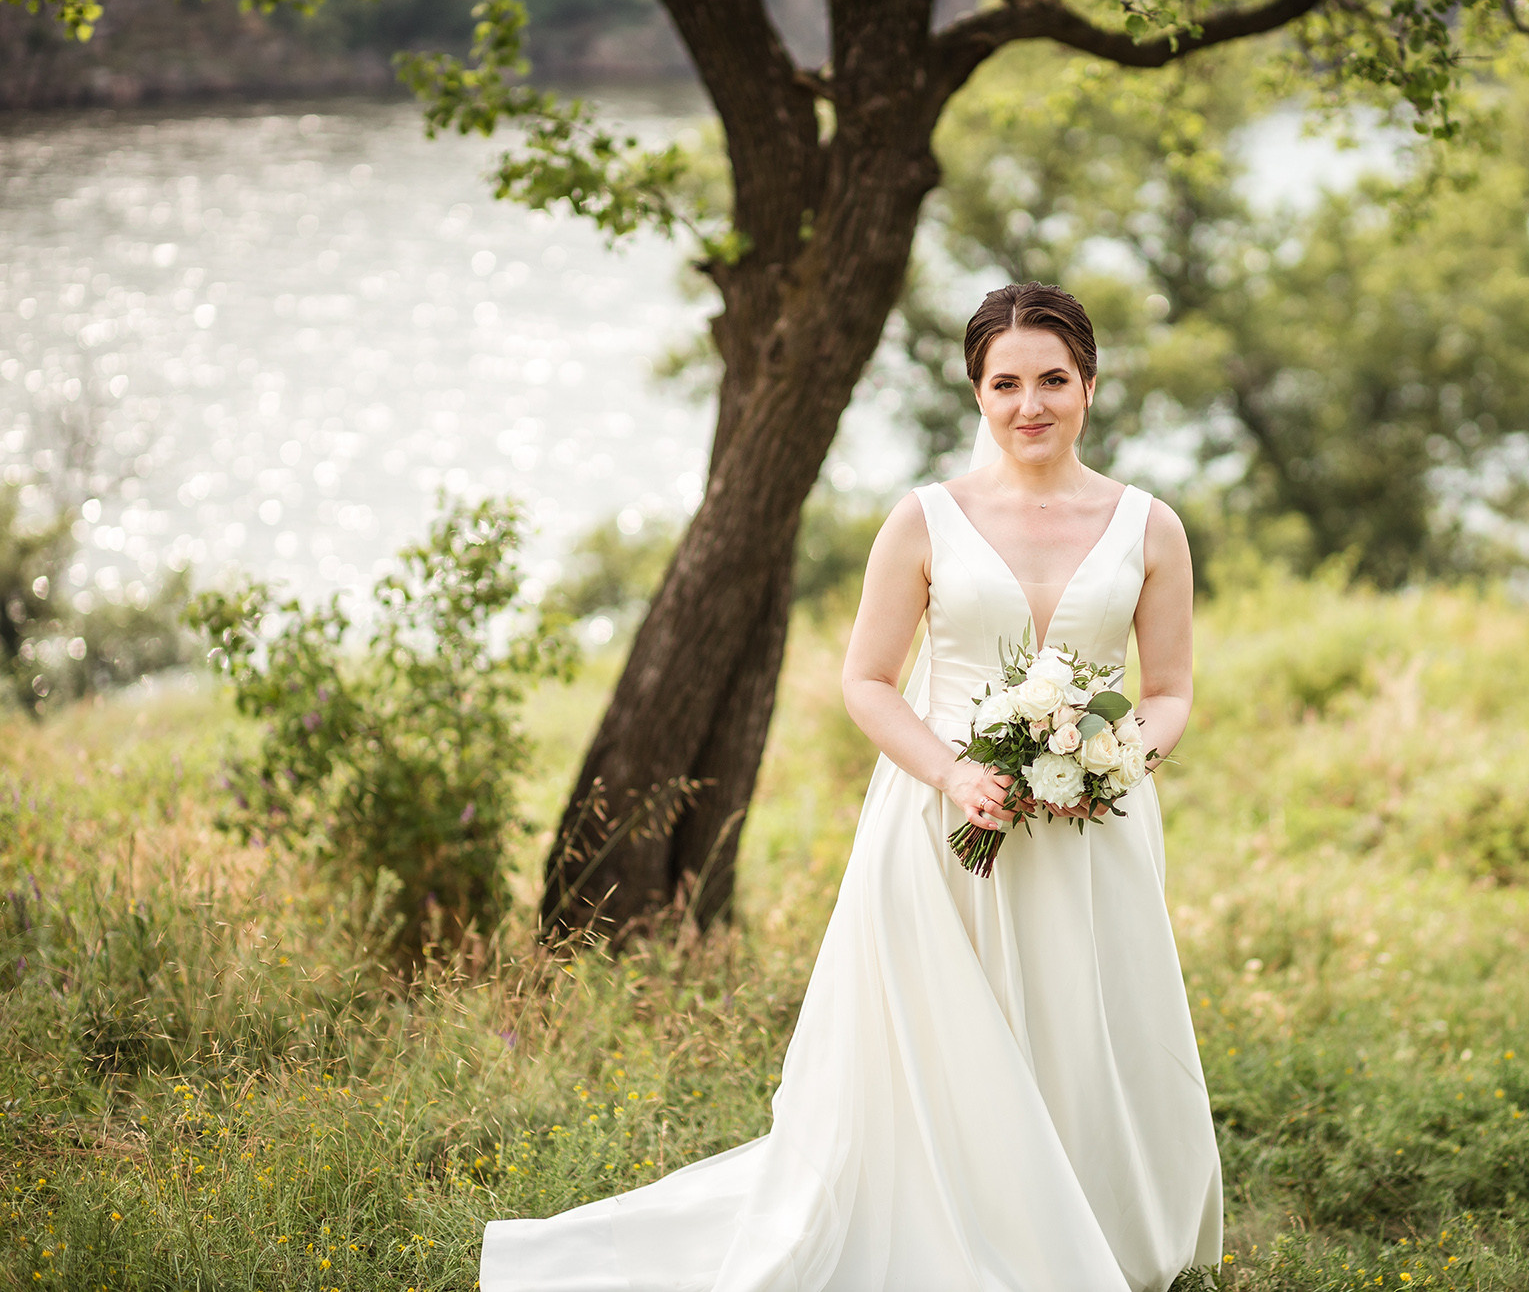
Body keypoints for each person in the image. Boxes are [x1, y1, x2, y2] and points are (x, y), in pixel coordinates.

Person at [480, 281, 1224, 1290]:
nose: (1029, 404)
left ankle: (1084, 1230)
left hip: (1092, 826)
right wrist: (955, 772)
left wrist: (1111, 759)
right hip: (939, 823)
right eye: (1004, 383)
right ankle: (963, 1237)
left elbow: (1171, 691)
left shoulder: (1148, 526)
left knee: (1079, 1023)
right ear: (976, 395)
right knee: (950, 1045)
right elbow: (866, 682)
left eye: (1052, 379)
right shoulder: (924, 521)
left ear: (1089, 384)